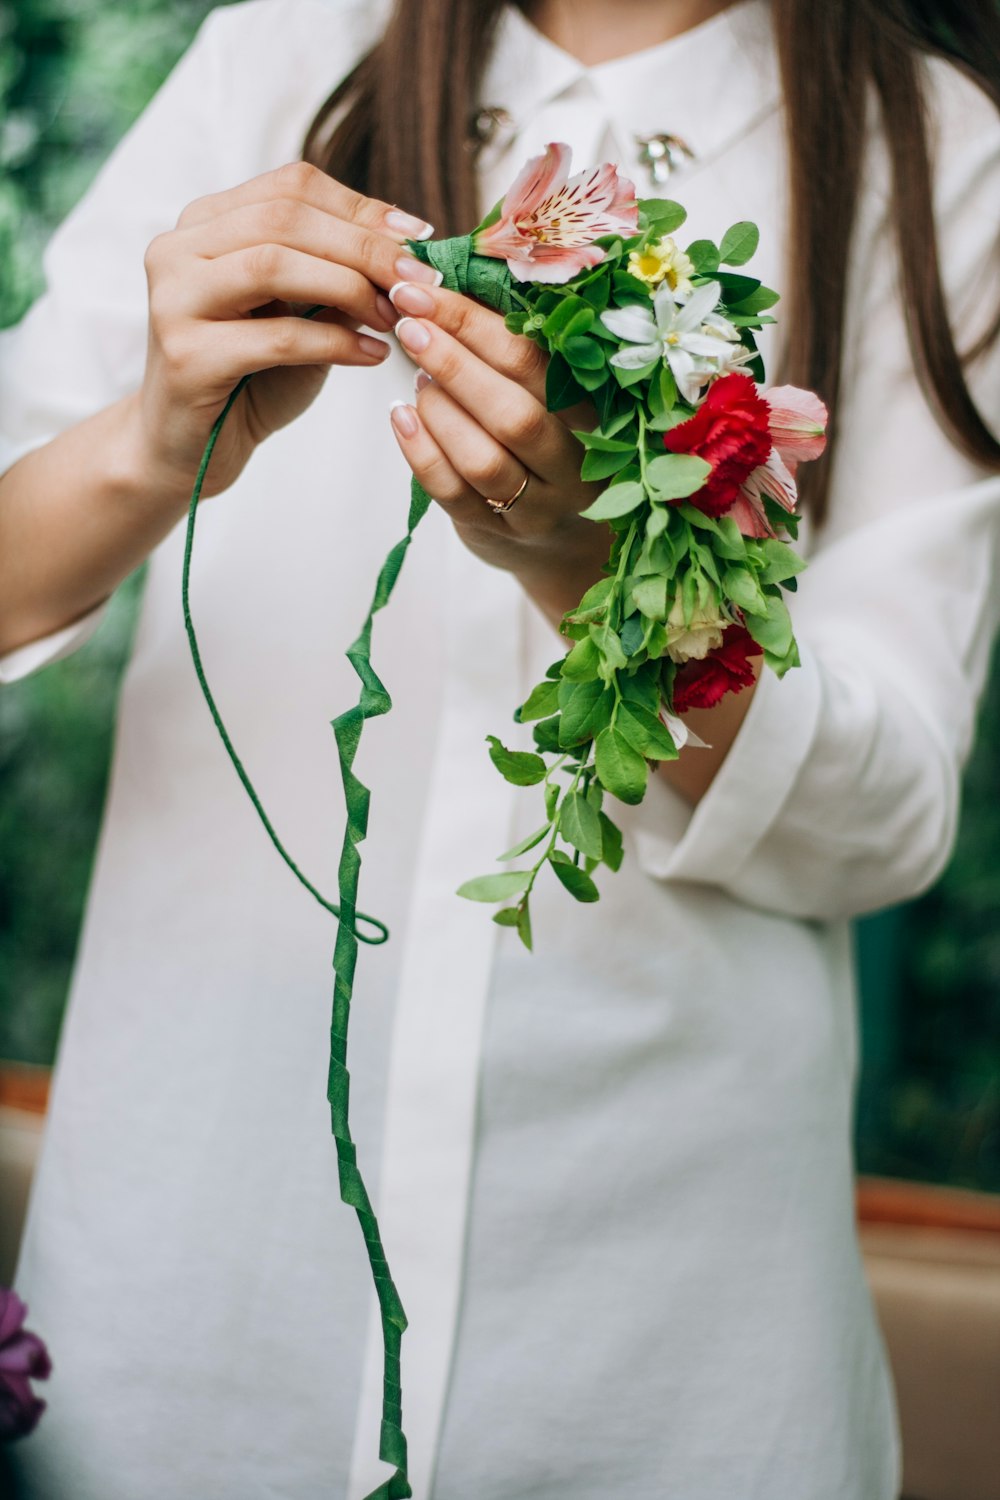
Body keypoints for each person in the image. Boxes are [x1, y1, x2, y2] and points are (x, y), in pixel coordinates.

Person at [1, 0, 998, 1494]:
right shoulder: (279, 58)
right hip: (177, 1320)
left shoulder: (940, 158)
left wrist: (594, 575)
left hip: (661, 1373)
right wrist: (155, 440)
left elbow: (886, 816)